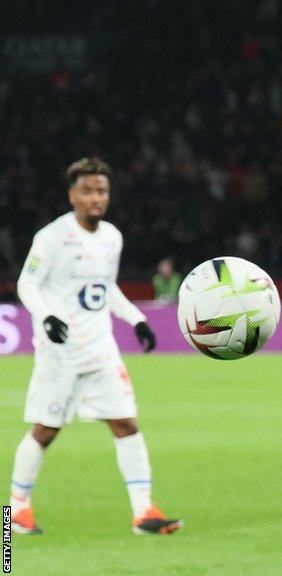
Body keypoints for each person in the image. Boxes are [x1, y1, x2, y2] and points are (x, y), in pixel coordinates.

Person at [11, 157, 182, 536]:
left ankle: (144, 514)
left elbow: (106, 288)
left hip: (101, 350)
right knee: (46, 430)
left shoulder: (112, 237)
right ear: (72, 194)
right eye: (87, 190)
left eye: (101, 190)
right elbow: (27, 284)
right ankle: (16, 511)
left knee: (126, 423)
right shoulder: (52, 237)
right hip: (61, 354)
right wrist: (47, 316)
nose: (95, 197)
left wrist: (135, 318)